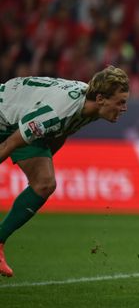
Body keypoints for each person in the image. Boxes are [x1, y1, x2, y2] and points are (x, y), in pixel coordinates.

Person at [0, 66, 129, 277]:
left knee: (44, 183)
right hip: (4, 114)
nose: (124, 108)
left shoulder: (90, 108)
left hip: (19, 117)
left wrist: (45, 159)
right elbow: (7, 146)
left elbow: (61, 132)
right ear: (101, 99)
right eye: (121, 102)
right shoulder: (58, 112)